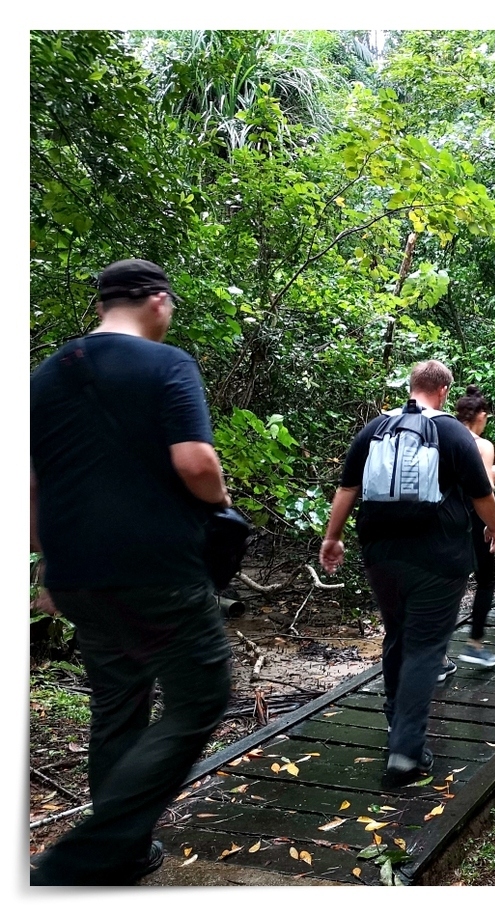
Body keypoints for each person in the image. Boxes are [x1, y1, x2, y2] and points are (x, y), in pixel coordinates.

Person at [29, 259, 233, 884]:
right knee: (201, 698)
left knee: (119, 701)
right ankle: (84, 856)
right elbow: (196, 462)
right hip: (157, 569)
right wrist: (221, 504)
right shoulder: (167, 365)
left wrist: (48, 570)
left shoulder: (45, 375)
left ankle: (122, 851)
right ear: (156, 301)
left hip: (76, 574)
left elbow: (32, 485)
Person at [319, 360, 495, 788]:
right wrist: (493, 529)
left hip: (382, 556)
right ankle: (405, 751)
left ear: (412, 387)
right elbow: (481, 493)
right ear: (442, 391)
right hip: (438, 558)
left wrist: (333, 538)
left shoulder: (375, 429)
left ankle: (393, 721)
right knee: (424, 648)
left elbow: (347, 488)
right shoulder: (454, 432)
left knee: (397, 635)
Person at [454, 385, 495, 667]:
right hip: (474, 520)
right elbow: (483, 489)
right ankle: (474, 643)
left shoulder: (443, 435)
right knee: (486, 579)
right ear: (481, 415)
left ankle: (434, 656)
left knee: (449, 583)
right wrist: (494, 475)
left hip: (444, 519)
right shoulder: (483, 446)